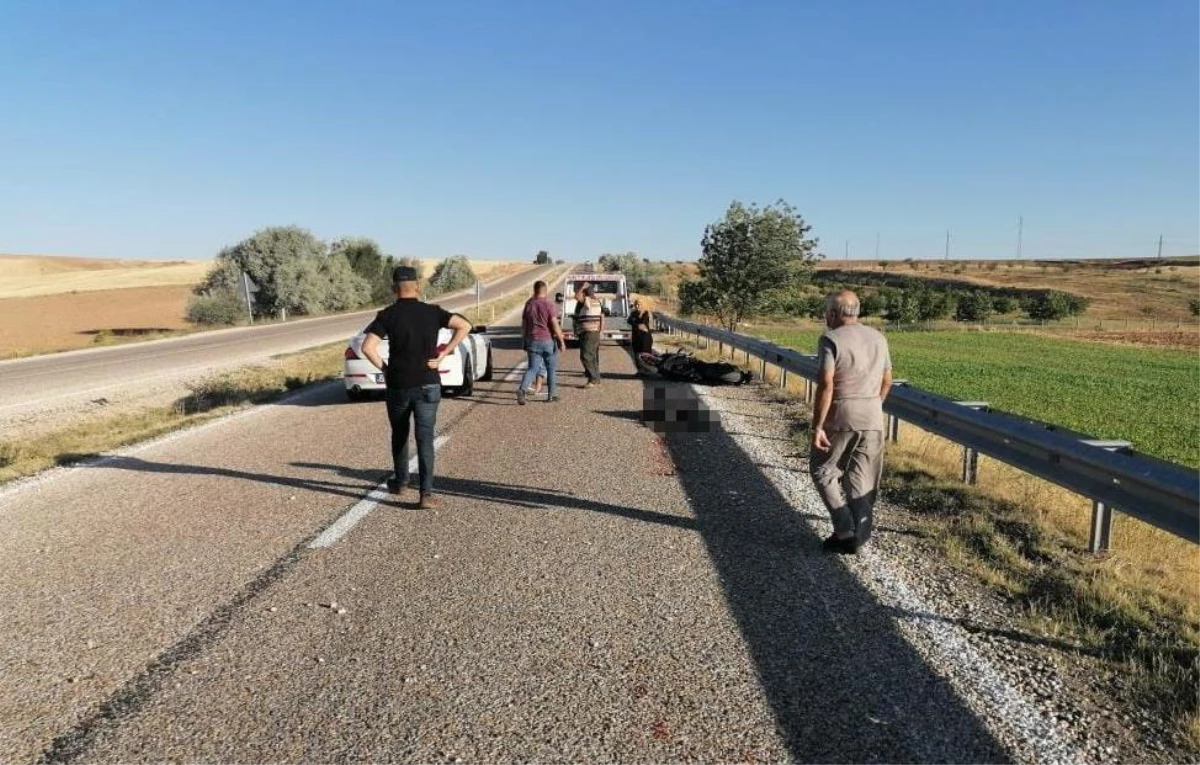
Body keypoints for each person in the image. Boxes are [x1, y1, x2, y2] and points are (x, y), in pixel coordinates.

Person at [361, 265, 471, 508]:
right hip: (427, 383)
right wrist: (444, 353)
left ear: (393, 289)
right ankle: (426, 494)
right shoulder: (433, 312)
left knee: (399, 434)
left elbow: (367, 347)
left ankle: (401, 482)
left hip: (398, 384)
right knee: (425, 439)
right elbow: (465, 326)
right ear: (418, 286)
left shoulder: (387, 315)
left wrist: (386, 368)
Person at [809, 289, 893, 554]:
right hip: (873, 415)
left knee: (823, 471)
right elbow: (887, 380)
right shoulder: (879, 337)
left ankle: (844, 529)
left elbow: (826, 384)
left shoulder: (830, 339)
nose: (825, 316)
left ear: (833, 313)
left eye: (827, 311)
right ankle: (861, 533)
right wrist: (872, 404)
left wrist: (818, 426)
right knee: (861, 478)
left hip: (842, 414)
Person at [517, 280, 566, 404]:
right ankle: (551, 395)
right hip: (547, 341)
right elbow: (554, 324)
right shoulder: (549, 305)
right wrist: (561, 340)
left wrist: (524, 340)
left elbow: (524, 325)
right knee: (551, 368)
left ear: (534, 290)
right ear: (546, 290)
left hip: (532, 340)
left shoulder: (529, 304)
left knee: (532, 368)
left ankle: (522, 390)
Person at [574, 282, 604, 387]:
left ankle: (593, 379)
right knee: (593, 357)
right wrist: (601, 330)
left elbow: (576, 296)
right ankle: (596, 378)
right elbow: (601, 317)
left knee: (586, 356)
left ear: (585, 294)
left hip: (589, 333)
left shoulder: (588, 301)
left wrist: (582, 286)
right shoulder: (597, 302)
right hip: (594, 332)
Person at [628, 298, 654, 375]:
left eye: (639, 304)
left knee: (645, 354)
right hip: (636, 336)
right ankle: (640, 370)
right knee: (636, 353)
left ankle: (647, 370)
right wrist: (636, 324)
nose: (637, 306)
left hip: (644, 338)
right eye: (636, 304)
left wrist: (634, 322)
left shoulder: (645, 313)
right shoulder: (633, 313)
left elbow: (642, 324)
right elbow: (629, 321)